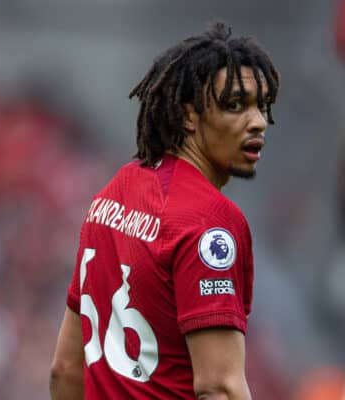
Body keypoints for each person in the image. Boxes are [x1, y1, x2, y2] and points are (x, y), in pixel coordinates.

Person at [50, 22, 279, 399]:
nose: (257, 122)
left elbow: (65, 370)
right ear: (189, 116)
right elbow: (219, 388)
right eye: (235, 105)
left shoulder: (113, 195)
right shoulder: (210, 222)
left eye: (262, 106)